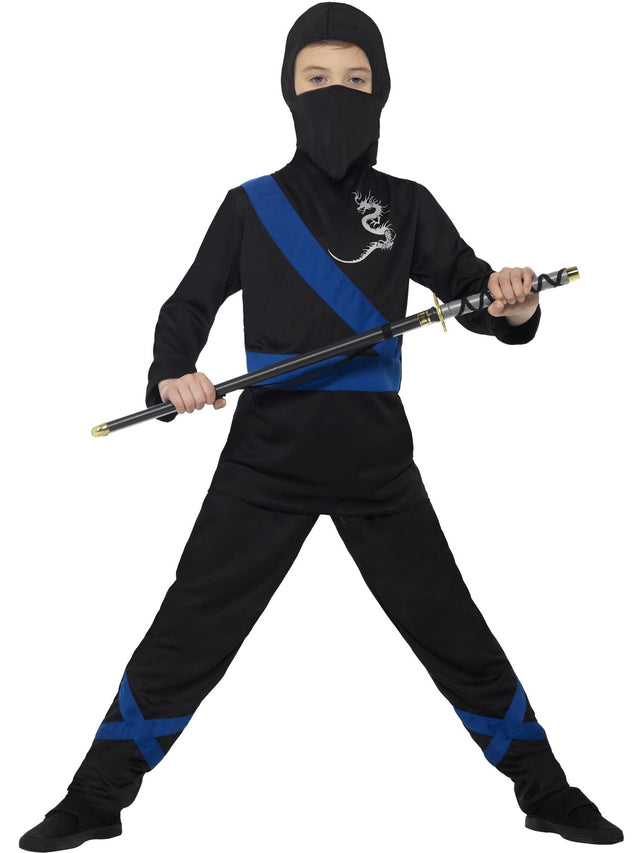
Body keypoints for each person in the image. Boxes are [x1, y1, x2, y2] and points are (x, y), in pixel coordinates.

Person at [19, 3, 623, 850]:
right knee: (188, 633)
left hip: (377, 460)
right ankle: (93, 800)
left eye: (355, 77)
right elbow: (187, 305)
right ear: (288, 91)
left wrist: (515, 304)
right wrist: (172, 374)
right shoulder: (250, 205)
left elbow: (478, 296)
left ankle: (546, 791)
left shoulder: (409, 205)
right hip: (265, 458)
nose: (335, 92)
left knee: (452, 629)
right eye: (316, 77)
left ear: (380, 92)